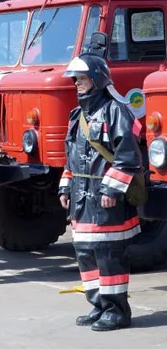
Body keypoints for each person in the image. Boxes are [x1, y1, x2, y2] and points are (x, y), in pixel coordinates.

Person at [59, 53, 142, 331]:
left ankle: (117, 311)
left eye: (81, 79)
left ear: (97, 79)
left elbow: (128, 156)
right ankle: (99, 305)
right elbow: (71, 157)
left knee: (108, 255)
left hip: (105, 198)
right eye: (75, 80)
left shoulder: (115, 110)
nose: (77, 84)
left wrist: (111, 189)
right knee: (85, 253)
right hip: (81, 199)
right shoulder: (77, 114)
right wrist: (65, 186)